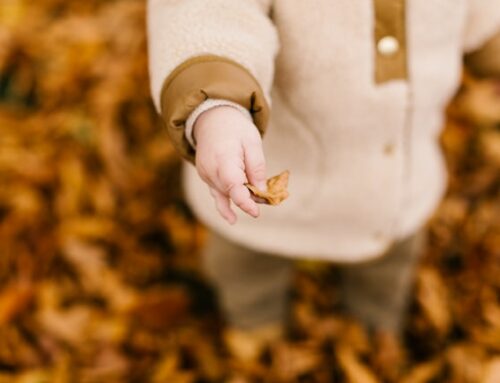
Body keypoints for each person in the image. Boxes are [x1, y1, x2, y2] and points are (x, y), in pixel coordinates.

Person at [147, 0, 500, 349]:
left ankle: (374, 336)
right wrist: (217, 103)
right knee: (246, 267)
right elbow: (208, 10)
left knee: (387, 269)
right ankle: (256, 327)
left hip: (393, 179)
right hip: (260, 173)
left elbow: (483, 16)